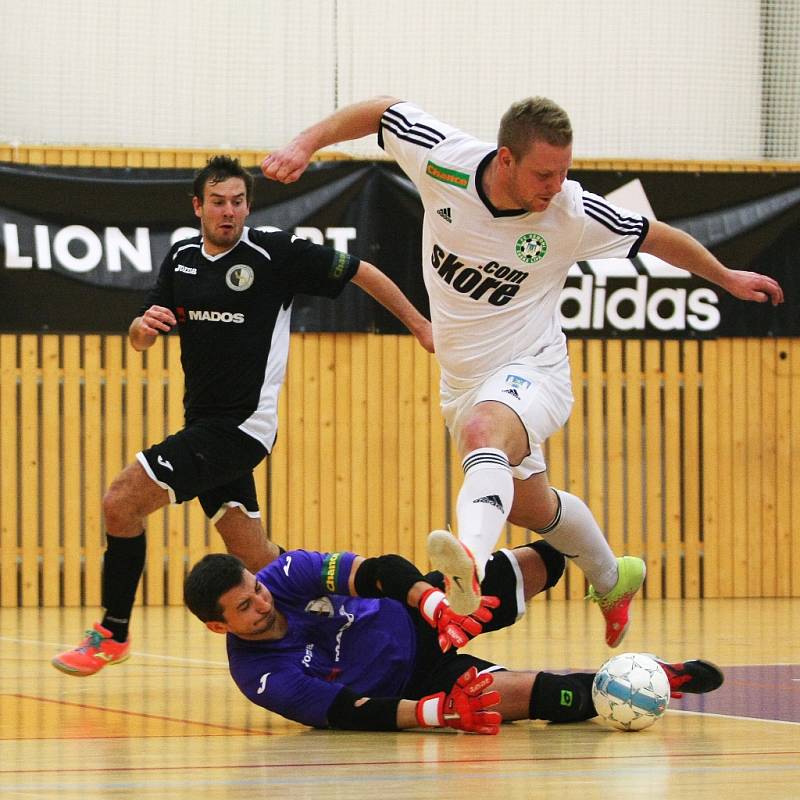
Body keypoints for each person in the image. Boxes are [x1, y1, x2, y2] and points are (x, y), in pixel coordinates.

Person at [262, 96, 785, 642]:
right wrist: (305, 144)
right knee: (533, 506)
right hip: (463, 380)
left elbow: (654, 235)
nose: (556, 185)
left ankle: (471, 563)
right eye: (544, 173)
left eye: (564, 171)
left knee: (483, 432)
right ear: (505, 159)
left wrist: (724, 276)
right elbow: (383, 111)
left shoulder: (572, 214)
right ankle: (613, 578)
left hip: (533, 369)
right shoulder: (446, 161)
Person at [52, 155, 433, 677]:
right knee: (257, 559)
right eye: (217, 202)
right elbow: (141, 336)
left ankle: (112, 633)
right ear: (198, 207)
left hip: (241, 427)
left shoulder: (274, 252)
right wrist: (144, 325)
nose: (228, 212)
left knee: (121, 501)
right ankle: (347, 621)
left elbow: (361, 270)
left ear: (248, 206)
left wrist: (420, 326)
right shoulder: (182, 259)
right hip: (203, 426)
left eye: (237, 202)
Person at [183, 541, 724, 733]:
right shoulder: (260, 676)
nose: (262, 602)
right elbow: (352, 711)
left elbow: (377, 570)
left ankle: (609, 580)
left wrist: (435, 603)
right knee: (539, 696)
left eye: (254, 589)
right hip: (421, 684)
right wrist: (437, 714)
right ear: (217, 626)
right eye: (245, 607)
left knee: (543, 560)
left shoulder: (285, 576)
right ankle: (653, 680)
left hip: (420, 616)